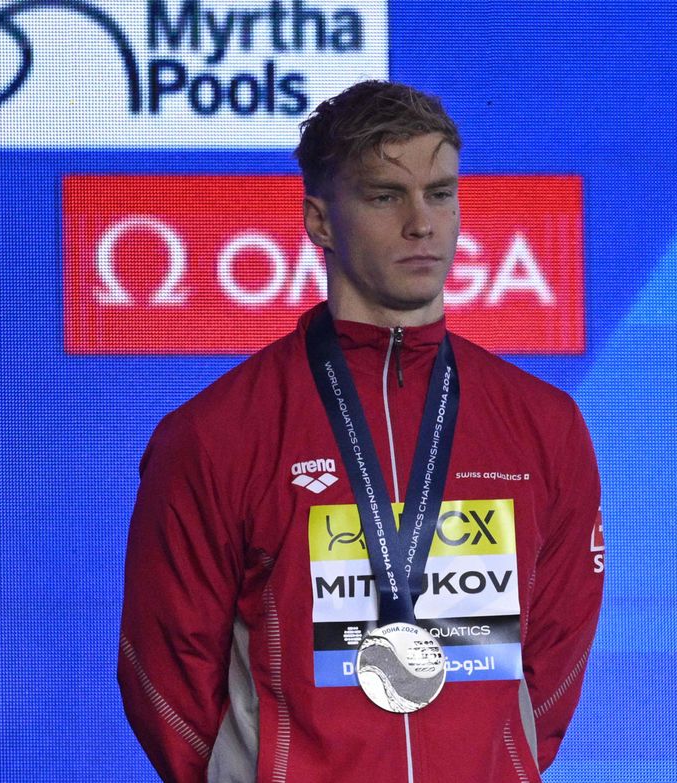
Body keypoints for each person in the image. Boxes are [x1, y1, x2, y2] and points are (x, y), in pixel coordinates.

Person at [118, 80, 604, 783]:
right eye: (385, 195)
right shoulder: (216, 432)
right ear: (320, 220)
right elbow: (163, 673)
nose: (421, 223)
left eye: (440, 193)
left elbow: (554, 665)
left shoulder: (543, 425)